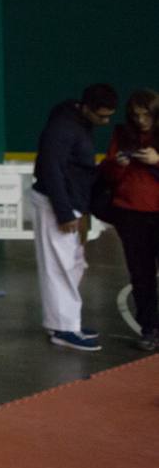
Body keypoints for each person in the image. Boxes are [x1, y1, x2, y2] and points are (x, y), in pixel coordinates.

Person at [30, 82, 118, 351]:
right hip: (55, 204)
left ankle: (66, 323)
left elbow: (75, 170)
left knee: (73, 263)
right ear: (87, 108)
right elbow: (51, 170)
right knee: (60, 267)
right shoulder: (63, 128)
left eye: (108, 116)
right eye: (101, 116)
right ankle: (63, 330)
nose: (105, 122)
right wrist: (65, 211)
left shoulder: (75, 119)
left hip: (72, 202)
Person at [99, 89, 159, 350]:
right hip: (131, 214)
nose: (141, 121)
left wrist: (158, 160)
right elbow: (108, 174)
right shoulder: (122, 134)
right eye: (136, 115)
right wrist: (118, 164)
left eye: (147, 115)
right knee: (141, 275)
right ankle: (149, 328)